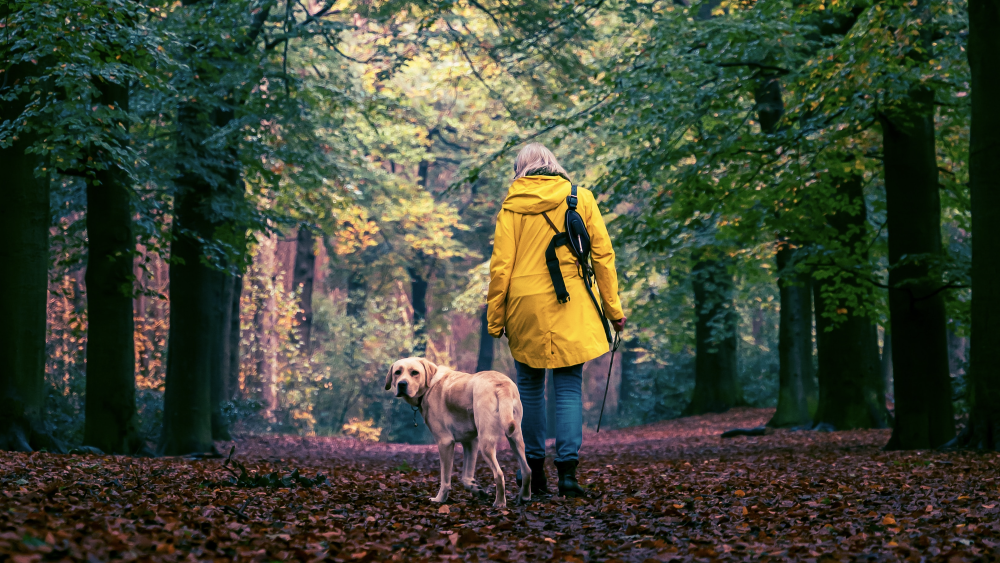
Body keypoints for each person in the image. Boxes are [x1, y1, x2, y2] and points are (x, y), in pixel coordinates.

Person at [486, 143, 626, 497]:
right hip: (571, 303)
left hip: (524, 306)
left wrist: (495, 317)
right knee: (567, 388)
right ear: (553, 163)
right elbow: (603, 257)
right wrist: (614, 310)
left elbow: (501, 266)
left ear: (521, 168)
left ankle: (532, 473)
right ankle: (568, 474)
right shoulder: (580, 199)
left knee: (529, 391)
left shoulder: (512, 207)